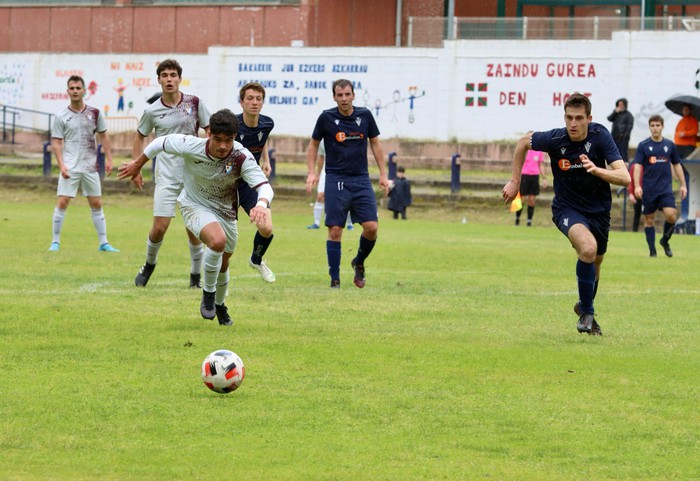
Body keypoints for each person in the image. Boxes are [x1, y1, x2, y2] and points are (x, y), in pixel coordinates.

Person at [118, 109, 273, 327]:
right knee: (217, 242)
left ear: (234, 138)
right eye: (217, 139)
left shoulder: (241, 156)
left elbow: (264, 187)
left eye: (228, 140)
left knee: (224, 263)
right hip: (194, 204)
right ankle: (208, 295)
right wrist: (138, 163)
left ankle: (220, 305)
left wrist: (261, 204)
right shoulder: (191, 145)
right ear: (209, 135)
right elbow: (160, 142)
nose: (222, 146)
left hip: (226, 212)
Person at [501, 93, 630, 336]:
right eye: (569, 117)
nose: (573, 123)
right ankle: (587, 315)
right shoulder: (555, 138)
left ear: (589, 118)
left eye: (579, 118)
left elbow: (625, 177)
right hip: (567, 209)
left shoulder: (600, 136)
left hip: (599, 211)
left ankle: (584, 305)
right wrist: (515, 181)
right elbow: (521, 143)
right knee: (588, 249)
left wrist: (597, 170)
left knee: (596, 262)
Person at [131, 59, 211, 288]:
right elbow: (139, 136)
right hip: (165, 176)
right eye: (164, 75)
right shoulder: (152, 110)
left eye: (173, 75)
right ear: (159, 80)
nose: (169, 79)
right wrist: (137, 167)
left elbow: (210, 130)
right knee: (159, 227)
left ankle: (195, 277)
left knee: (194, 228)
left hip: (193, 176)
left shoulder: (194, 103)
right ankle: (149, 264)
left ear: (179, 78)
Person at [305, 79, 389, 289]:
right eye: (339, 95)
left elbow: (376, 144)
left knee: (371, 228)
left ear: (353, 95)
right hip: (336, 178)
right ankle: (335, 279)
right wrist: (311, 173)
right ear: (334, 97)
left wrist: (383, 173)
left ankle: (358, 262)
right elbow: (313, 145)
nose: (344, 99)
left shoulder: (365, 116)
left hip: (361, 178)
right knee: (335, 230)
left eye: (347, 94)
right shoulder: (326, 117)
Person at [48, 75, 119, 253]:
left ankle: (104, 243)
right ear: (67, 91)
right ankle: (55, 242)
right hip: (70, 167)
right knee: (63, 201)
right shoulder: (61, 116)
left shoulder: (94, 113)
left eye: (78, 88)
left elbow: (104, 136)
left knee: (96, 203)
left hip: (90, 167)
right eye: (72, 88)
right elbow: (56, 143)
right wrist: (61, 165)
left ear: (84, 91)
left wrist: (109, 159)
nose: (75, 91)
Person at [235, 82, 276, 283]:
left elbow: (263, 138)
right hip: (227, 183)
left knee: (266, 228)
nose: (254, 102)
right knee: (224, 237)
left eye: (258, 99)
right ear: (241, 102)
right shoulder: (232, 124)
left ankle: (256, 259)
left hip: (250, 183)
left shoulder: (268, 123)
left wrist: (266, 160)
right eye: (250, 98)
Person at [633, 114, 688, 257]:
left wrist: (683, 185)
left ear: (662, 126)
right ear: (649, 127)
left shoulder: (670, 145)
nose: (655, 128)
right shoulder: (643, 145)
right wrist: (637, 186)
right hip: (649, 189)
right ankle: (652, 251)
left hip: (665, 189)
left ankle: (665, 240)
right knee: (649, 219)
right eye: (653, 125)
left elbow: (677, 165)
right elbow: (637, 166)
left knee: (672, 216)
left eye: (658, 125)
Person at [307, 139, 353, 230]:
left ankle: (349, 223)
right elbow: (321, 158)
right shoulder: (323, 141)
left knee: (346, 197)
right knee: (320, 195)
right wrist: (318, 174)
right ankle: (316, 223)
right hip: (327, 169)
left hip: (344, 169)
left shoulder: (345, 136)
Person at [514, 149, 547, 226]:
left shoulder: (539, 151)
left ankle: (529, 221)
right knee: (522, 199)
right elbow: (518, 163)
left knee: (532, 200)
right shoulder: (524, 150)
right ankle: (517, 218)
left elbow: (541, 165)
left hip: (534, 176)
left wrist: (544, 178)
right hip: (525, 175)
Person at [607, 98, 634, 163]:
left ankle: (625, 165)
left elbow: (629, 126)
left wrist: (625, 136)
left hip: (623, 138)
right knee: (614, 151)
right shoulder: (616, 113)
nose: (620, 106)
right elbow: (609, 118)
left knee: (623, 152)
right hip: (614, 136)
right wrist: (615, 112)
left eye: (622, 104)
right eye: (619, 104)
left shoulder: (628, 115)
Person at [627, 161, 643, 232]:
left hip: (648, 194)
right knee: (637, 214)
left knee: (649, 214)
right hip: (637, 194)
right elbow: (630, 181)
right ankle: (635, 231)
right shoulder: (634, 166)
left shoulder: (649, 166)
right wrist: (631, 194)